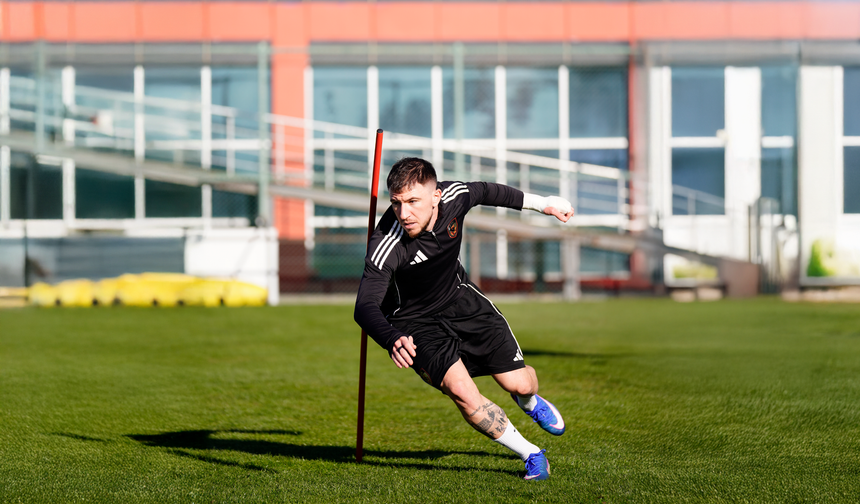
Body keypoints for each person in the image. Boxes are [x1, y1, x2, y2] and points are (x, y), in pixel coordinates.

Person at [354, 157, 574, 481]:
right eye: (396, 204)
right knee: (463, 392)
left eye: (413, 202)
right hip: (414, 324)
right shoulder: (387, 243)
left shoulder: (456, 195)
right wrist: (391, 338)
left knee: (520, 382)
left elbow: (487, 191)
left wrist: (543, 204)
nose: (404, 214)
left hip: (461, 300)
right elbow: (365, 306)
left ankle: (528, 401)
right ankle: (531, 454)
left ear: (436, 196)